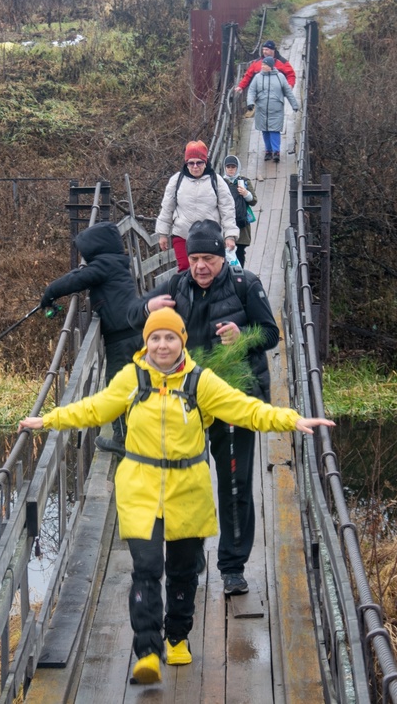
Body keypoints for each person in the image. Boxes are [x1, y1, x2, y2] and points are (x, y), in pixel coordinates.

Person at [17, 308, 334, 685]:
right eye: (155, 338)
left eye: (170, 337)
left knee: (184, 570)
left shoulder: (201, 382)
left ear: (181, 341)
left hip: (189, 487)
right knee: (147, 568)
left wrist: (291, 420)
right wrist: (48, 420)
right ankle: (148, 652)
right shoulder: (131, 379)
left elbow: (244, 409)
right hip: (140, 486)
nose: (162, 345)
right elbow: (94, 408)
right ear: (146, 343)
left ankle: (177, 637)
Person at [141, 220, 277, 597]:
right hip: (186, 402)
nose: (201, 266)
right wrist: (147, 307)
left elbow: (270, 333)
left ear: (223, 257)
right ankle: (191, 553)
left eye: (210, 259)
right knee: (185, 482)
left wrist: (243, 337)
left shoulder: (245, 284)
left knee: (235, 484)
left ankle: (232, 567)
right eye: (196, 258)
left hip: (234, 401)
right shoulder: (174, 285)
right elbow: (136, 316)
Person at [40, 220, 144, 454]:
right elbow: (83, 274)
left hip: (121, 336)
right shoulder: (116, 263)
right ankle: (136, 430)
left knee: (115, 384)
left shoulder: (103, 266)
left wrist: (49, 294)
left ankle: (122, 439)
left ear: (95, 249)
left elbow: (74, 280)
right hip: (134, 330)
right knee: (135, 383)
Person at [155, 140, 239, 272]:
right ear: (186, 163)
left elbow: (227, 210)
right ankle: (186, 293)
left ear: (205, 163)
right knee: (185, 269)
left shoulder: (216, 181)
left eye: (199, 162)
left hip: (210, 236)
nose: (195, 166)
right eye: (191, 163)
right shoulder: (176, 180)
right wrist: (163, 234)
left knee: (210, 271)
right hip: (183, 235)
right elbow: (167, 208)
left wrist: (230, 236)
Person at [246, 56, 300, 163]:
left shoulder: (280, 77)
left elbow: (288, 92)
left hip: (276, 109)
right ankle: (268, 151)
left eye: (265, 65)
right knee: (265, 131)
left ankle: (276, 152)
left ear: (270, 66)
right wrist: (250, 103)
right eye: (262, 64)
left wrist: (295, 105)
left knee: (274, 130)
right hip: (262, 110)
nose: (262, 66)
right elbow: (251, 91)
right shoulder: (257, 77)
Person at [220, 155, 256, 267]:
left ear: (237, 168)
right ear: (224, 168)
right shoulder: (220, 182)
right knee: (224, 255)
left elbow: (253, 201)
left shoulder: (244, 182)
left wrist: (246, 194)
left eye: (233, 167)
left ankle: (239, 278)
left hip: (241, 225)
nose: (231, 169)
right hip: (224, 225)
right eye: (228, 166)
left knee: (240, 253)